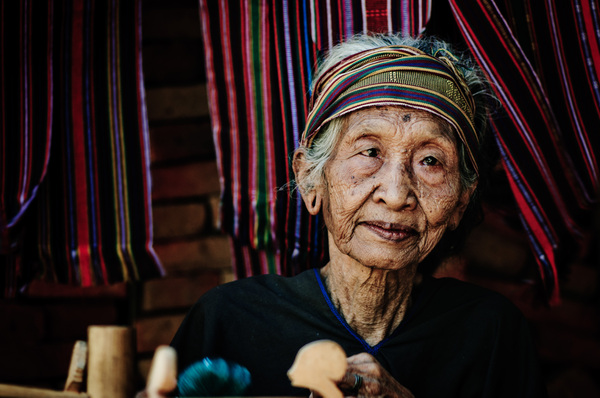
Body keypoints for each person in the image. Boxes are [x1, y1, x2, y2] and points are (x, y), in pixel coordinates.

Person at [170, 34, 547, 397]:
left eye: (430, 160)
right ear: (310, 179)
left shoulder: (491, 333)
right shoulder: (230, 321)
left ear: (460, 203)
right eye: (369, 152)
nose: (397, 195)